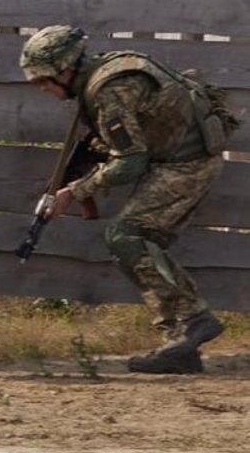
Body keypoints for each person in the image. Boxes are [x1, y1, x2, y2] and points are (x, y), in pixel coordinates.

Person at [20, 25, 234, 374]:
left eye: (44, 80)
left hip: (186, 162)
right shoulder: (101, 76)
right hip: (173, 158)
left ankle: (192, 321)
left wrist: (73, 192)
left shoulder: (108, 89)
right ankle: (181, 343)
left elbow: (131, 160)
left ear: (66, 69)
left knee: (126, 236)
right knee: (140, 240)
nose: (43, 89)